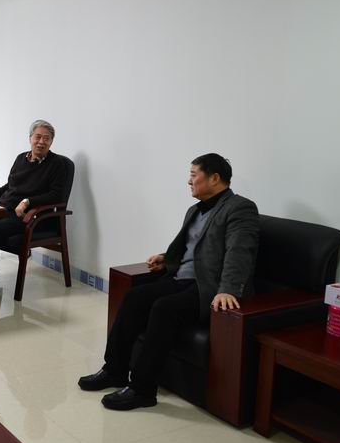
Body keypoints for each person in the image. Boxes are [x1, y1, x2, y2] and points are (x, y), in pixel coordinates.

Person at [78, 153, 259, 410]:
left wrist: (228, 289)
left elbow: (239, 252)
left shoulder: (240, 208)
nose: (189, 181)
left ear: (215, 178)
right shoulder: (195, 210)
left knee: (164, 308)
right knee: (134, 297)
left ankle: (142, 389)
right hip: (181, 278)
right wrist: (166, 259)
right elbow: (192, 247)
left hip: (207, 287)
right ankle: (114, 370)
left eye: (194, 175)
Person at [0, 120, 68, 298]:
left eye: (46, 138)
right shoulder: (21, 158)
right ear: (30, 139)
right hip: (5, 209)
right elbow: (10, 185)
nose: (41, 142)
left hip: (30, 217)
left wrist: (28, 201)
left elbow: (56, 195)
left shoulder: (57, 164)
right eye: (38, 137)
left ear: (51, 142)